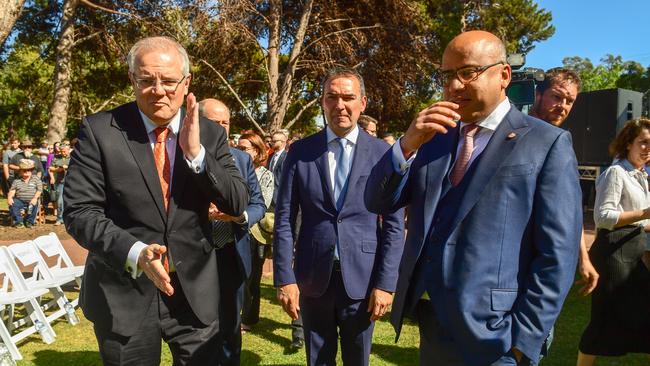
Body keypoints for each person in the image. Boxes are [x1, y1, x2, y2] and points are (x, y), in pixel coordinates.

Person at [365, 30, 582, 365]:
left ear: (504, 75)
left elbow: (558, 255)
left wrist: (523, 341)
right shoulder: (433, 138)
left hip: (498, 336)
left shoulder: (546, 143)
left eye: (467, 73)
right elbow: (377, 202)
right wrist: (407, 144)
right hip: (432, 318)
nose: (453, 86)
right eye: (447, 76)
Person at [63, 36, 249, 366]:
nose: (158, 90)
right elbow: (80, 212)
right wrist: (135, 252)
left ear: (186, 81)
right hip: (123, 290)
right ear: (132, 79)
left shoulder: (210, 134)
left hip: (195, 294)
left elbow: (236, 203)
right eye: (146, 80)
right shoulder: (100, 131)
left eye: (168, 80)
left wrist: (197, 156)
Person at [274, 67, 405, 366]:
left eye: (348, 97)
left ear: (363, 102)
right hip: (311, 276)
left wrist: (386, 283)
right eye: (331, 97)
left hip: (363, 279)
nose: (340, 105)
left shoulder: (383, 154)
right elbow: (284, 218)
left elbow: (394, 226)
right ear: (322, 101)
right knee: (317, 360)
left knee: (357, 359)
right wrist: (284, 277)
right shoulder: (300, 151)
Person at [528, 67, 591, 359]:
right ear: (539, 94)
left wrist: (584, 257)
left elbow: (568, 211)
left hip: (546, 263)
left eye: (569, 101)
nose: (562, 106)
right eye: (557, 97)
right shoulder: (517, 133)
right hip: (514, 259)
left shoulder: (561, 142)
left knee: (537, 341)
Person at [577, 118, 650, 366]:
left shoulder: (640, 176)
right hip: (613, 255)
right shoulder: (615, 173)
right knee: (604, 321)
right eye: (643, 142)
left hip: (634, 253)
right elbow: (603, 217)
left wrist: (646, 220)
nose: (648, 149)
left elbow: (636, 220)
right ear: (628, 143)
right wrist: (647, 213)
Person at [198, 98, 265, 365]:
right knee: (195, 328)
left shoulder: (241, 159)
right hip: (195, 254)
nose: (222, 128)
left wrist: (241, 216)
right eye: (215, 122)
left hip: (231, 252)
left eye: (225, 122)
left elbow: (258, 203)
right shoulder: (180, 155)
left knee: (229, 325)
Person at [237, 132, 274, 329]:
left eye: (244, 149)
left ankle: (249, 318)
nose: (239, 152)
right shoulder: (233, 168)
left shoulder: (266, 176)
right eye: (238, 147)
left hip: (256, 233)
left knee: (252, 278)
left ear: (257, 151)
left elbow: (263, 203)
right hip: (234, 230)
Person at [8, 159, 42, 228]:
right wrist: (9, 197)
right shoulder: (16, 181)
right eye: (24, 170)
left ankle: (30, 222)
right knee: (13, 203)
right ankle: (19, 222)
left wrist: (35, 198)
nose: (27, 171)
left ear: (31, 171)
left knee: (34, 204)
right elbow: (12, 191)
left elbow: (39, 190)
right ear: (20, 171)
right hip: (20, 200)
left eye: (29, 170)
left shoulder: (36, 179)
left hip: (32, 199)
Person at [49, 140, 71, 226]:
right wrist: (59, 169)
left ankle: (69, 219)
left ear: (68, 150)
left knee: (70, 201)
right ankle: (59, 218)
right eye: (61, 151)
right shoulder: (56, 157)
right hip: (60, 182)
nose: (63, 153)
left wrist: (68, 167)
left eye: (64, 151)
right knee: (60, 201)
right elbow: (51, 168)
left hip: (72, 182)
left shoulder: (74, 157)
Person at [267, 130, 288, 206]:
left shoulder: (287, 157)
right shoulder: (270, 156)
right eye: (271, 141)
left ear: (283, 142)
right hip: (269, 197)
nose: (271, 143)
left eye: (274, 141)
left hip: (280, 198)